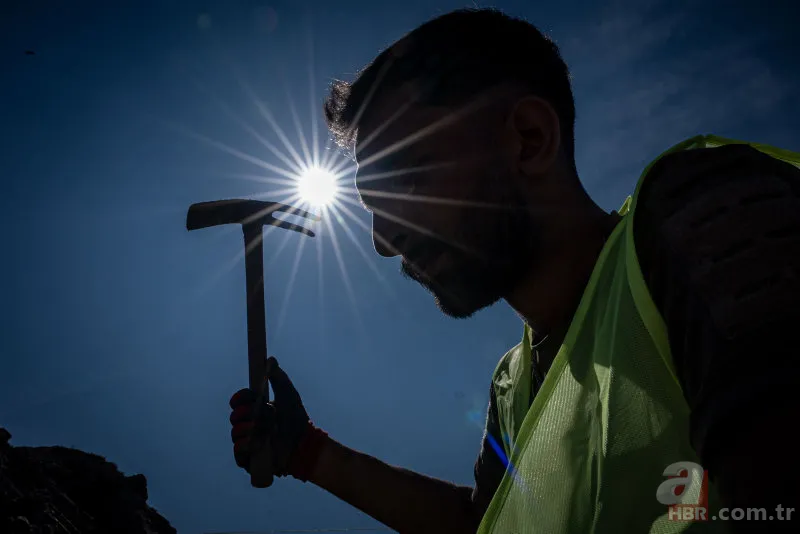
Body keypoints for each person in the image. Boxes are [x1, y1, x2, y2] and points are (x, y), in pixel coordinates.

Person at [228, 8, 800, 533]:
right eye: (373, 211)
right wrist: (308, 453)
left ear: (528, 140)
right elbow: (485, 522)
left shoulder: (703, 213)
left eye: (404, 182)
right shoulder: (512, 389)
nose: (383, 242)